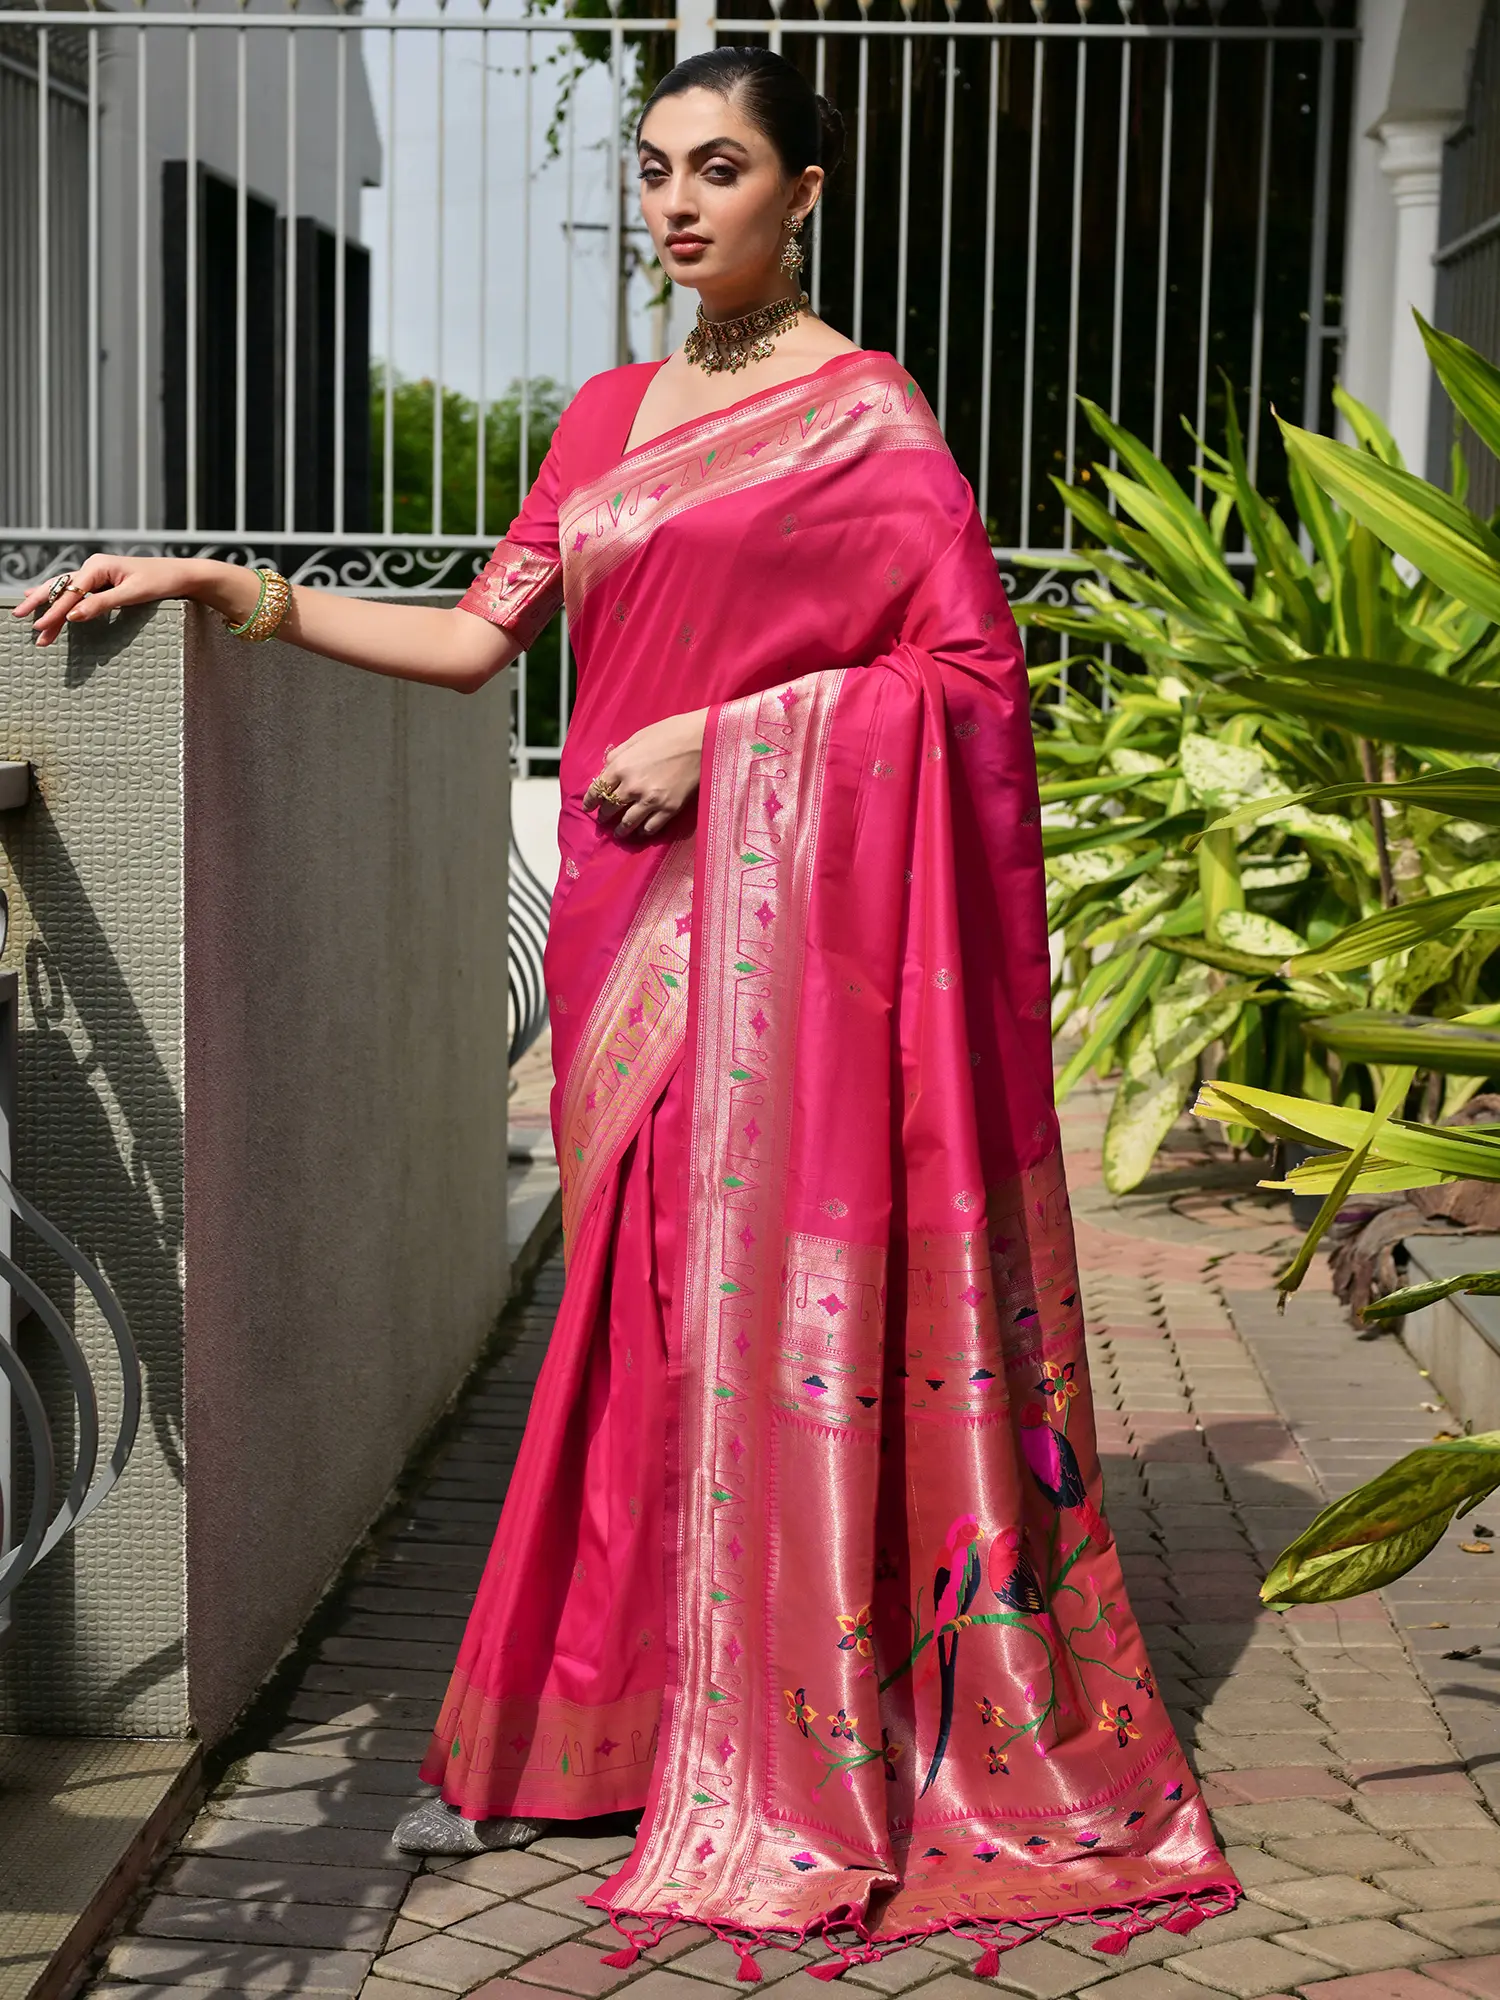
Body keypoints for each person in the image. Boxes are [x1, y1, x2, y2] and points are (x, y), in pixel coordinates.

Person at [15, 47, 1238, 1975]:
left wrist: (730, 738)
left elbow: (965, 683)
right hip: (625, 942)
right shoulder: (603, 417)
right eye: (656, 168)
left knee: (768, 1329)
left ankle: (794, 1730)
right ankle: (598, 1733)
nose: (677, 202)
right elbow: (470, 639)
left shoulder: (870, 419)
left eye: (720, 168)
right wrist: (222, 581)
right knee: (633, 1322)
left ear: (803, 193)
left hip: (796, 946)